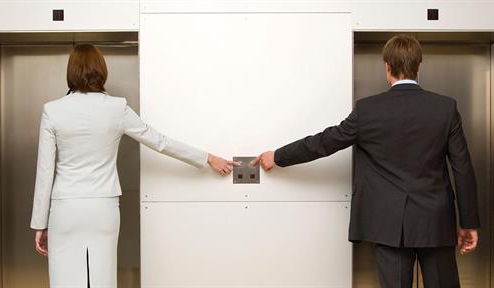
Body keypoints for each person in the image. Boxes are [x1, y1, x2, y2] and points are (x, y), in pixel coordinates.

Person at [253, 35, 479, 288]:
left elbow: (324, 142)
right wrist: (468, 223)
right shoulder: (445, 108)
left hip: (388, 224)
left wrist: (279, 156)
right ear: (419, 66)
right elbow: (463, 168)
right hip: (435, 222)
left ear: (387, 67)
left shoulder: (368, 110)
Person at [30, 44, 237, 288]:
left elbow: (45, 172)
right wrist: (208, 158)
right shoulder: (117, 108)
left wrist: (40, 224)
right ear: (101, 71)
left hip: (65, 210)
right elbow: (159, 141)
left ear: (71, 72)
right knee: (102, 281)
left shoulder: (53, 110)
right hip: (103, 208)